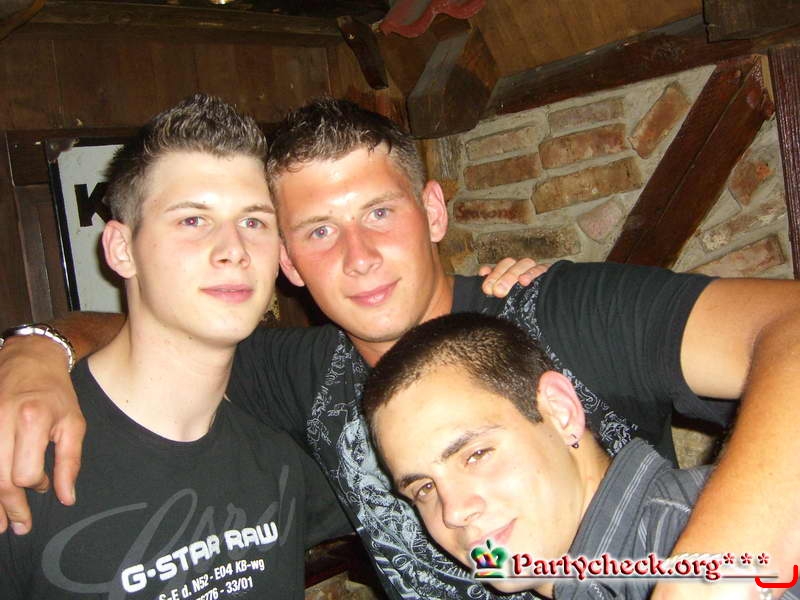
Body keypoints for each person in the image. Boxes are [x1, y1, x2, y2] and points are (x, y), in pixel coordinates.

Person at [0, 97, 799, 600]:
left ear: (433, 212)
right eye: (318, 231)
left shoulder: (558, 312)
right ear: (288, 262)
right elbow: (167, 329)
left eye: (380, 214)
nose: (358, 257)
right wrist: (36, 350)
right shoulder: (302, 372)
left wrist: (712, 577)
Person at [0, 94, 353, 599]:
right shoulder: (22, 451)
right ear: (121, 249)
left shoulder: (281, 454)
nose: (233, 250)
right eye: (193, 220)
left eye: (253, 221)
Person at [362, 313, 800, 600]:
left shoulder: (713, 556)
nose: (453, 512)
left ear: (561, 412)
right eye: (424, 488)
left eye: (476, 454)